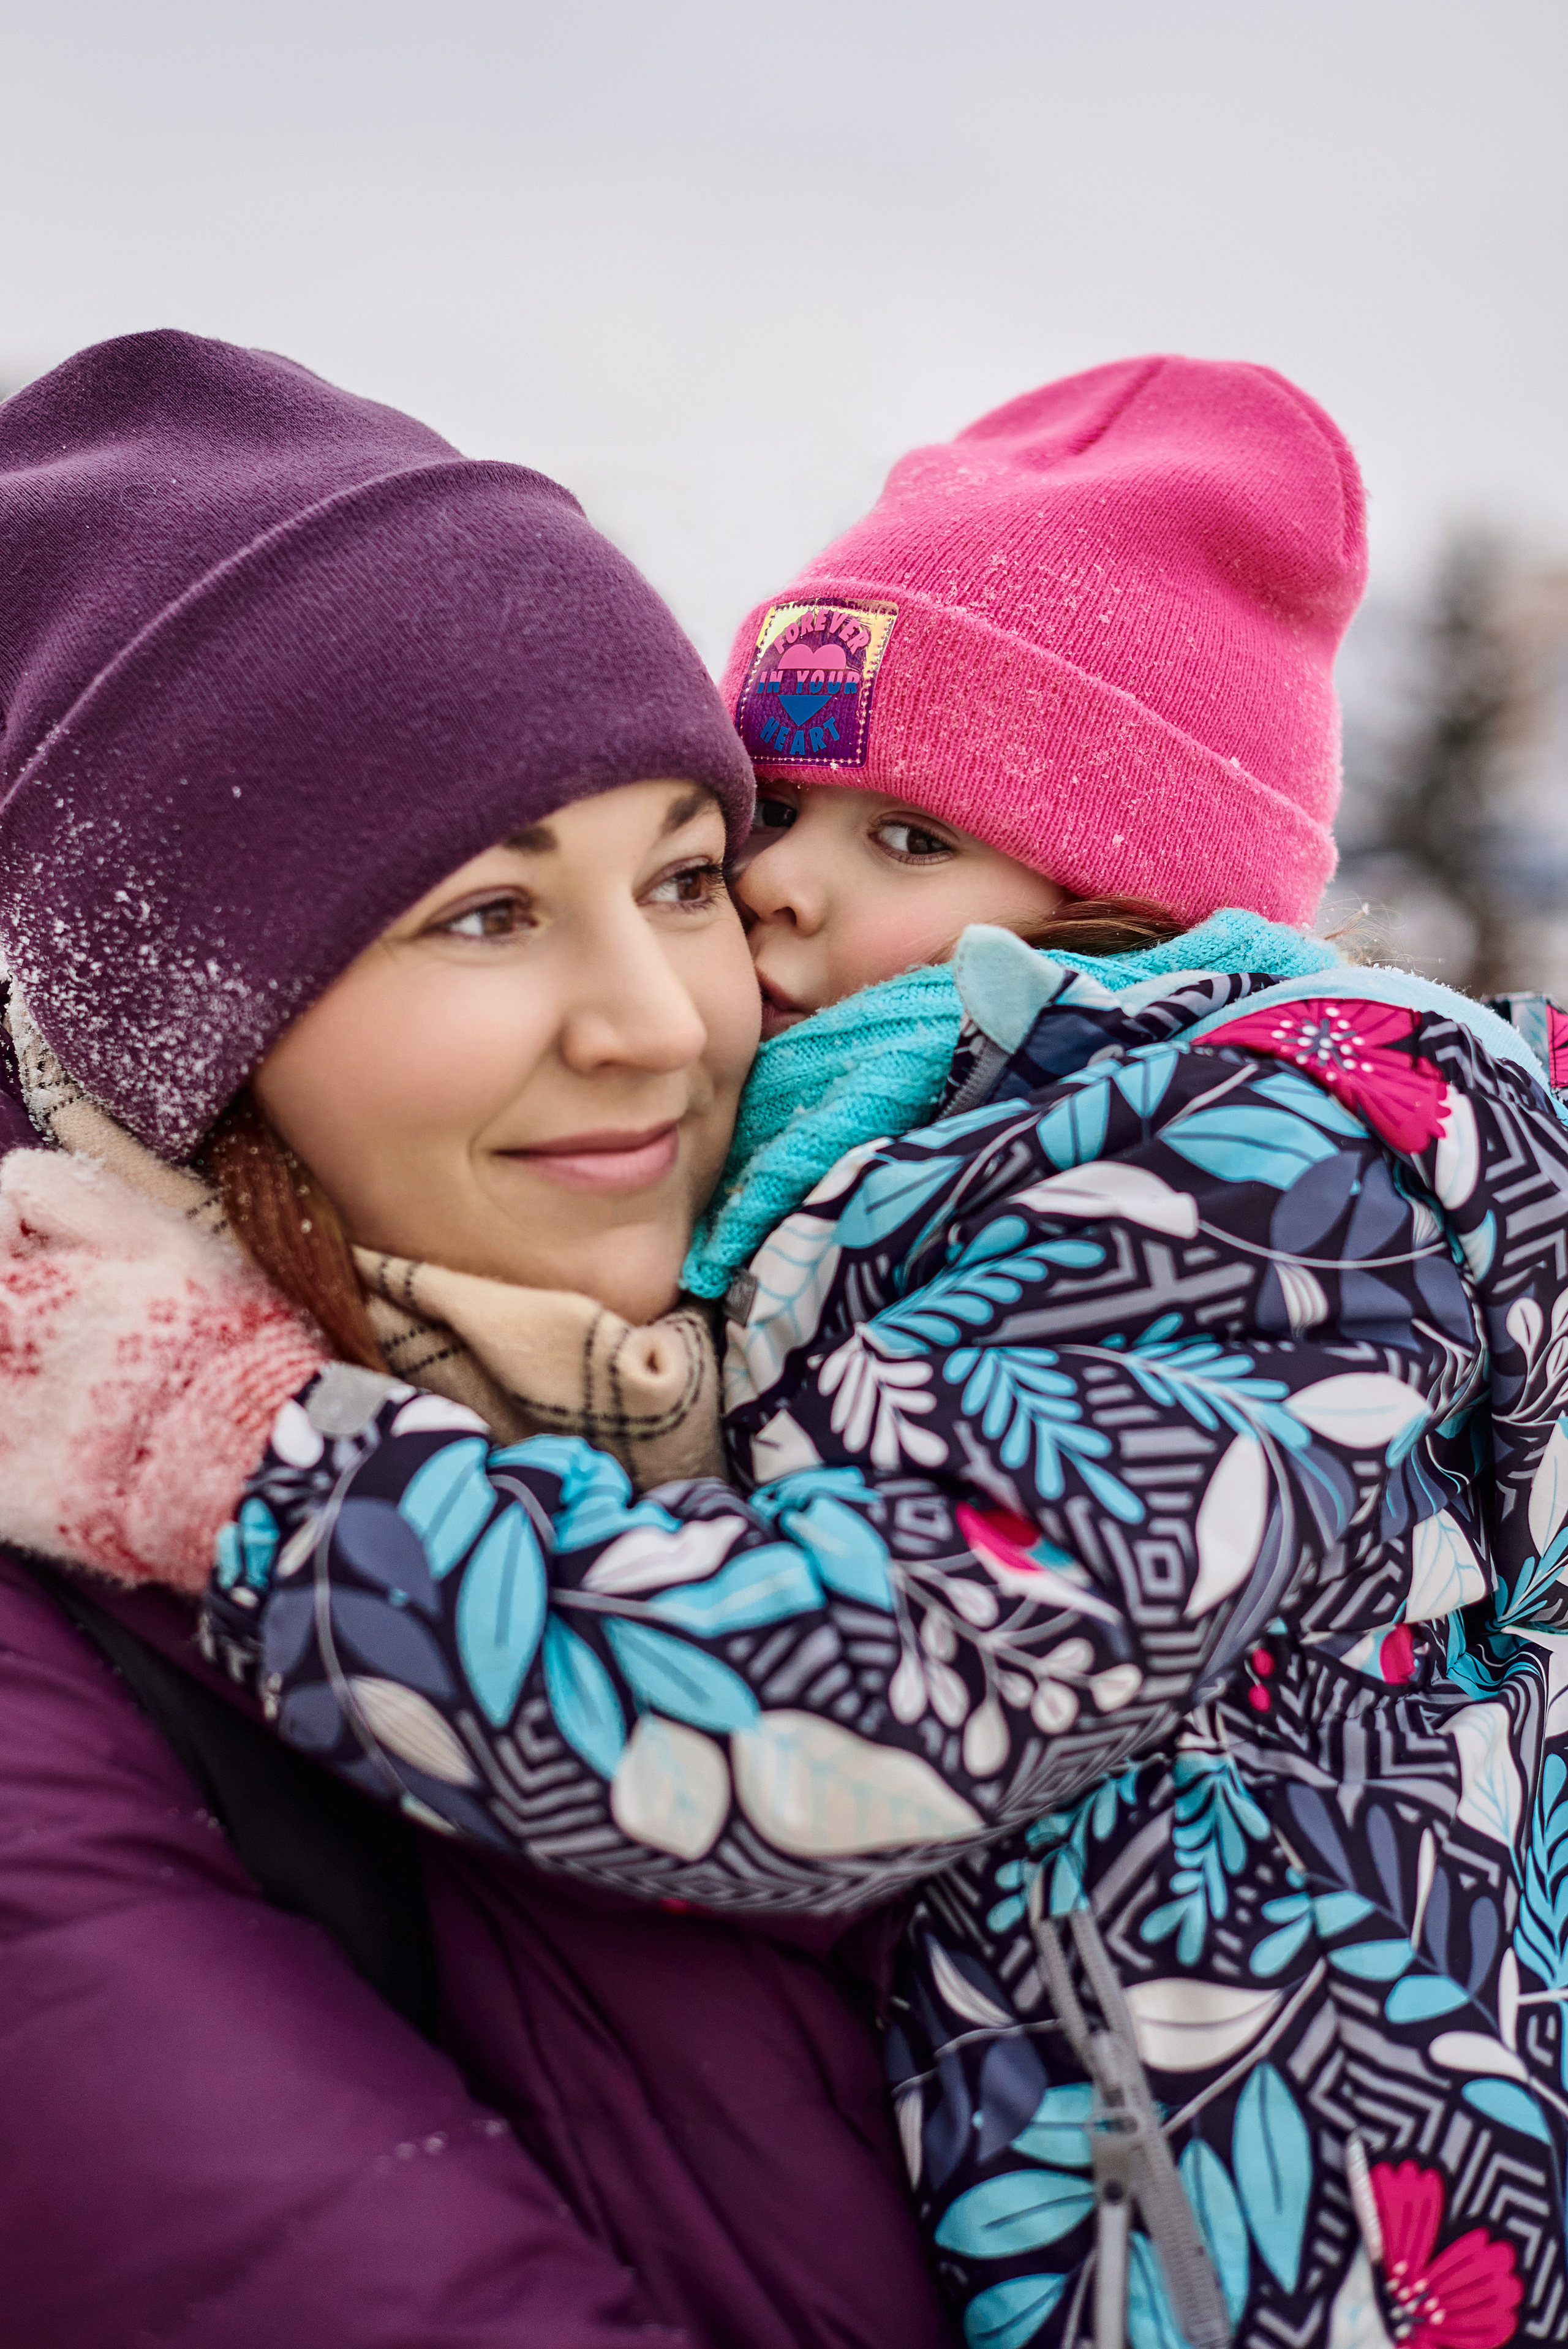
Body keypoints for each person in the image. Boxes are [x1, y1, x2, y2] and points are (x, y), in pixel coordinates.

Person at [9, 352, 1568, 2349]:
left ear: (1134, 901)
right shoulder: (887, 1204)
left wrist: (250, 1457)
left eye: (907, 840)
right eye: (782, 812)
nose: (764, 908)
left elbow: (855, 1695)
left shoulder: (1232, 1198)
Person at [0, 330, 956, 2349]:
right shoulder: (52, 1672)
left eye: (684, 878)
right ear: (180, 1031)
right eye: (486, 915)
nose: (661, 1022)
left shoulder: (886, 1397)